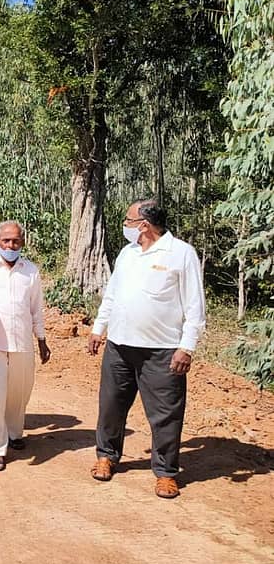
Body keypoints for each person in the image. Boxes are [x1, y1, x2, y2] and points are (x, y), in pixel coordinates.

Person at [88, 199, 206, 499]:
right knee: (111, 406)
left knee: (165, 414)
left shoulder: (181, 253)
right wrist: (99, 328)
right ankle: (106, 456)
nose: (124, 225)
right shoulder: (127, 254)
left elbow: (195, 305)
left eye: (128, 220)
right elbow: (112, 295)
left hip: (162, 351)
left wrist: (187, 347)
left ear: (144, 225)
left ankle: (166, 473)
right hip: (119, 346)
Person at [0, 221, 51, 471]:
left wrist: (41, 339)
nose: (11, 245)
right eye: (6, 241)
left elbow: (36, 308)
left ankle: (15, 432)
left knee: (20, 391)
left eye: (15, 241)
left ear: (22, 242)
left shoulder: (31, 271)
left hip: (22, 341)